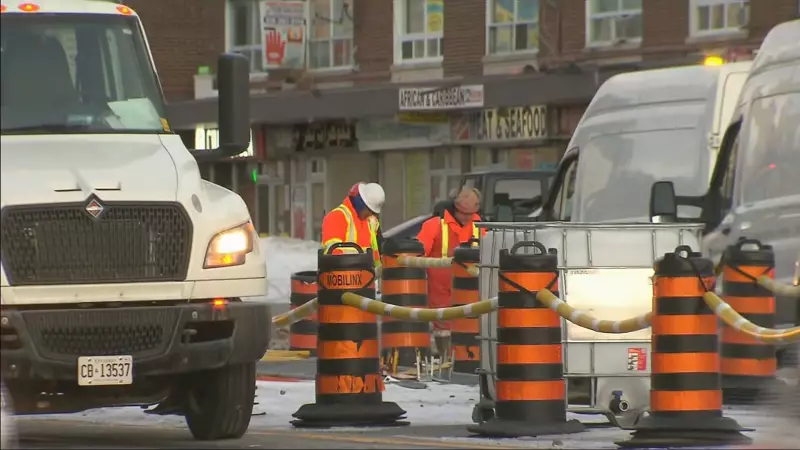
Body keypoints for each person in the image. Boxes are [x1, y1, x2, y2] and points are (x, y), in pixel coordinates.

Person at [416, 188, 485, 356]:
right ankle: (446, 359)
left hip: (470, 292)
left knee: (470, 331)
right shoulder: (434, 226)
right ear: (455, 208)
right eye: (464, 214)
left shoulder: (480, 226)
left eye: (472, 213)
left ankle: (466, 360)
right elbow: (418, 252)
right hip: (440, 291)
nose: (468, 218)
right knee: (443, 330)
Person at [321, 182, 385, 269]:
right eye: (369, 210)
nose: (371, 214)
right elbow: (332, 254)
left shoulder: (371, 222)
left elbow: (380, 248)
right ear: (360, 204)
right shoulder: (337, 217)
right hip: (344, 278)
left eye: (373, 212)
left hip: (367, 279)